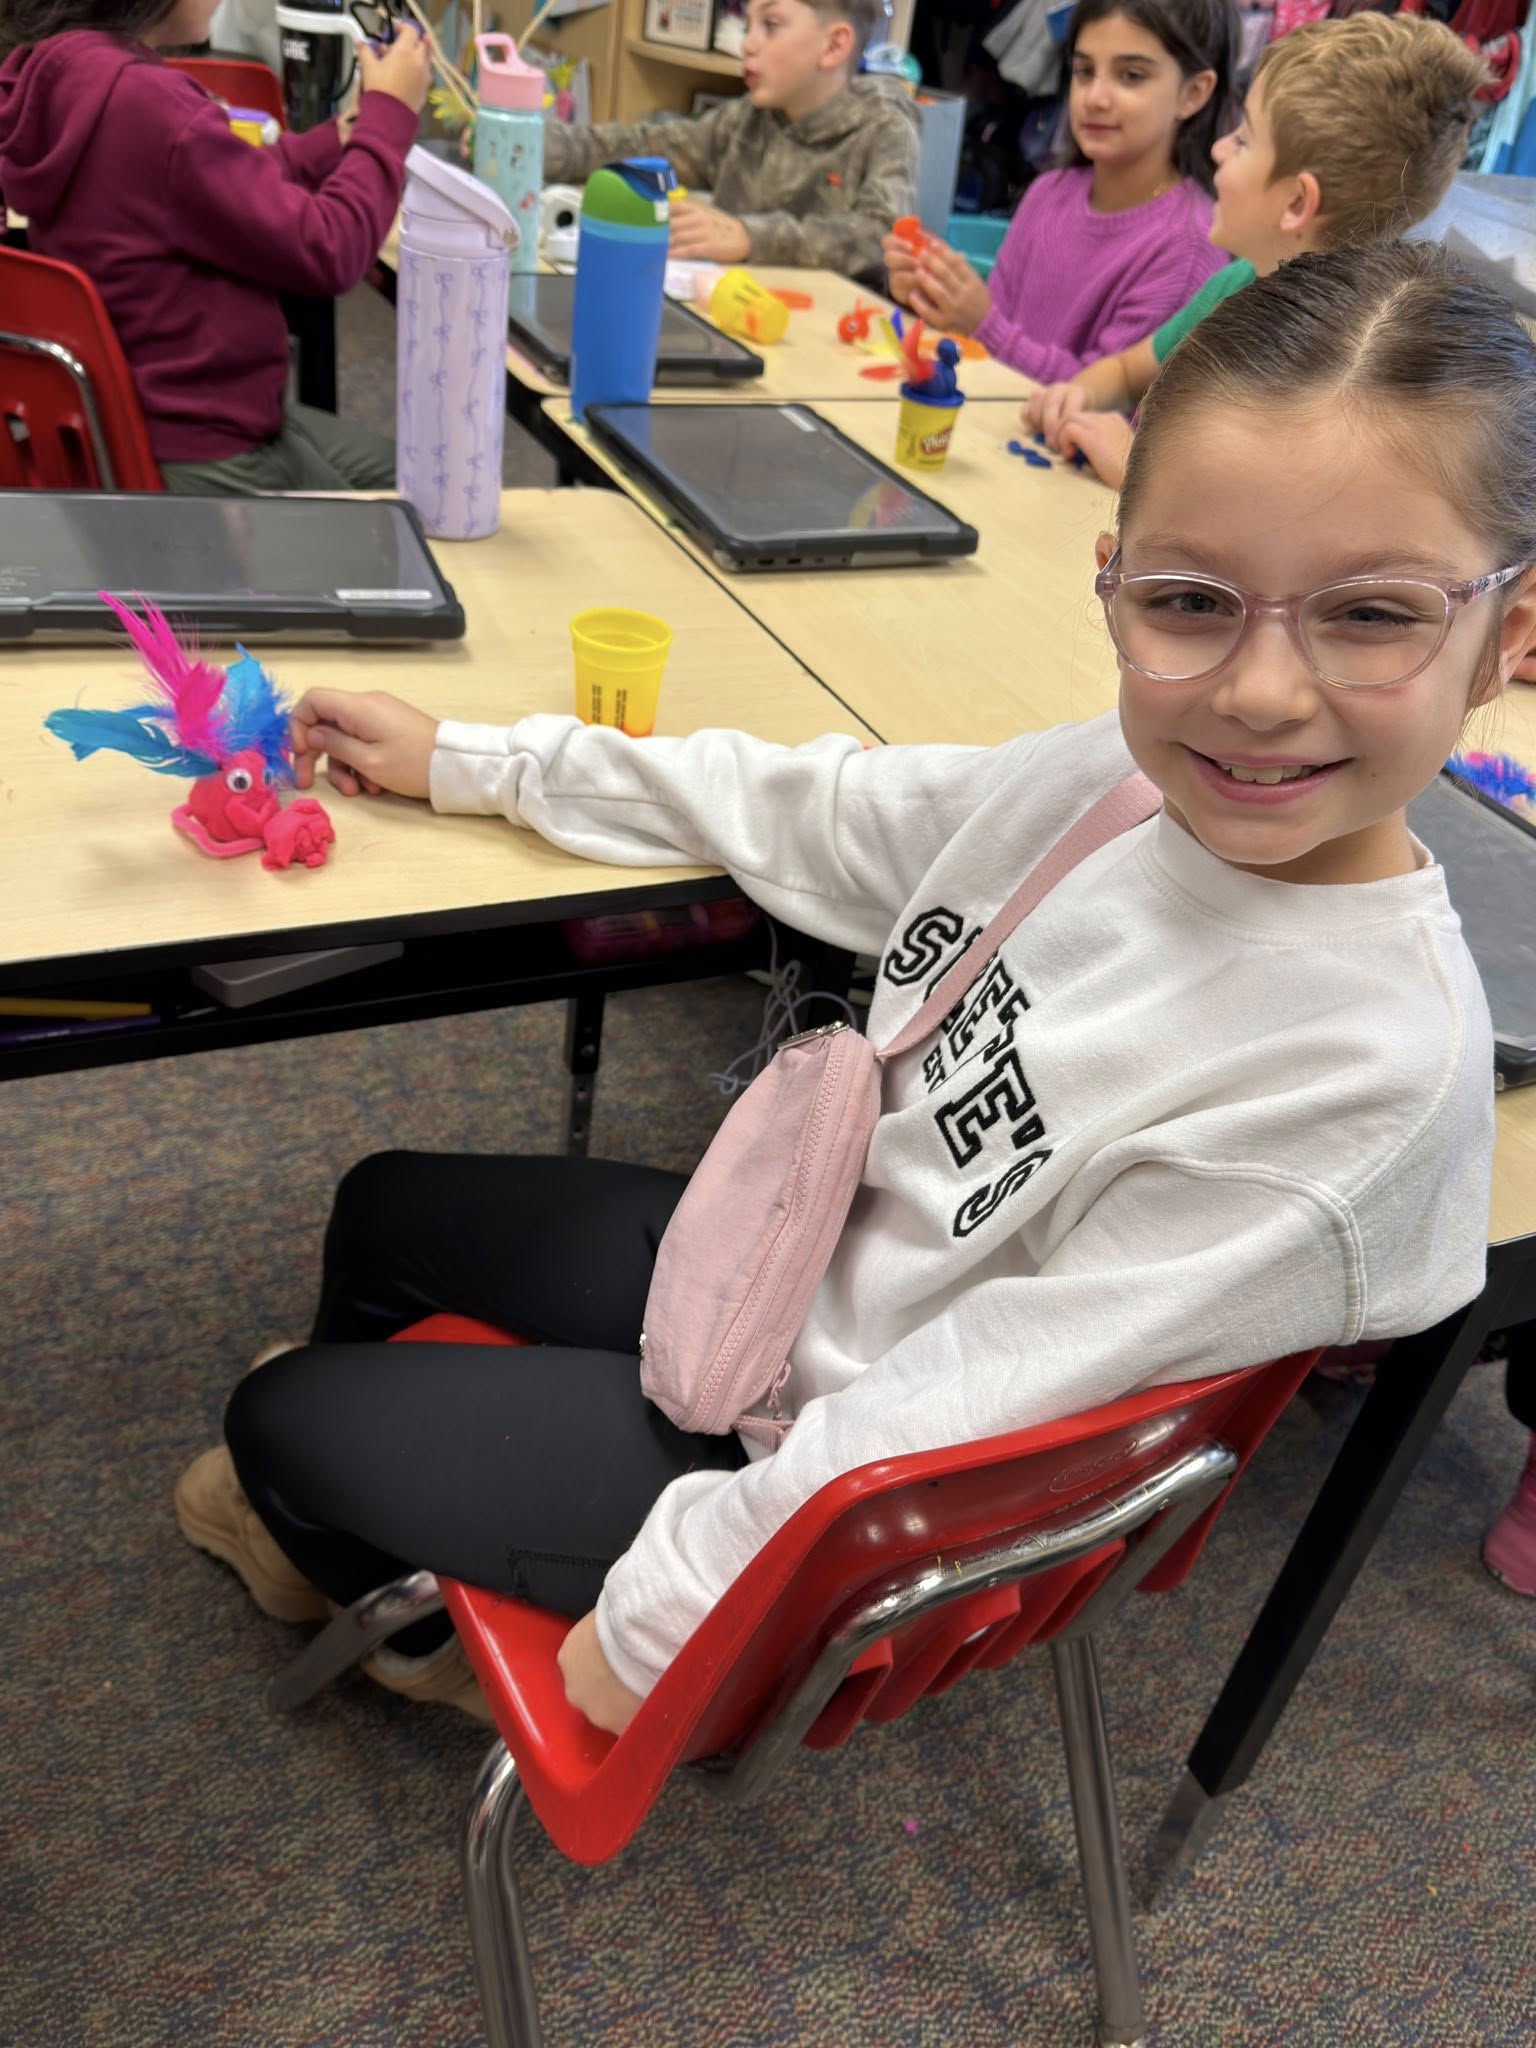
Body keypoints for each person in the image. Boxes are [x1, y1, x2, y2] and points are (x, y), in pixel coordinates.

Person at [177, 243, 1533, 1731]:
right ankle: (367, 1523)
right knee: (384, 1210)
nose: (1260, 693)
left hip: (833, 1465)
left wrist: (667, 1618)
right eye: (1192, 600)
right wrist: (477, 761)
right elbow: (827, 810)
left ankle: (369, 1567)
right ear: (1114, 582)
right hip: (800, 1265)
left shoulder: (1364, 1073)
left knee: (276, 1419)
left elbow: (992, 1394)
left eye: (1374, 614)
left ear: (1508, 640)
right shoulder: (1129, 775)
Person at [1024, 13, 1488, 487]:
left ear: (1297, 203)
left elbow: (1262, 512)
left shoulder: (1347, 361)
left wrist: (1134, 467)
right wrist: (1077, 396)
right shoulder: (1236, 282)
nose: (1218, 149)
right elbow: (1127, 373)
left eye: (1243, 139)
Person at [0, 0, 430, 493]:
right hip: (207, 446)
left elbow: (226, 181)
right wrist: (390, 117)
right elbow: (332, 247)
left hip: (166, 421)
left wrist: (344, 135)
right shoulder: (148, 103)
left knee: (415, 477)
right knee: (427, 507)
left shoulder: (74, 78)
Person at [881, 0, 1235, 382]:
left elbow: (1106, 401)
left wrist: (983, 324)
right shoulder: (1048, 192)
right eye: (1085, 71)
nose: (1095, 98)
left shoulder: (1189, 246)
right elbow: (984, 347)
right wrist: (930, 297)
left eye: (1131, 76)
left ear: (1193, 93)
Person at [541, 0, 916, 287]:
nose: (746, 44)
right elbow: (637, 146)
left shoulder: (884, 127)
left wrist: (751, 237)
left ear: (834, 45)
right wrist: (529, 144)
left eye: (770, 25)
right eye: (747, 25)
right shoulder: (746, 120)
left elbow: (879, 238)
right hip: (735, 314)